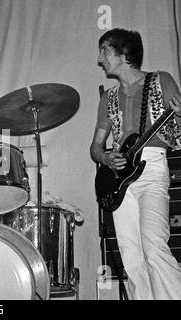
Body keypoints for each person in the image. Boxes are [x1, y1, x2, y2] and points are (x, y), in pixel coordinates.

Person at [90, 28, 181, 299]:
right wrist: (105, 157)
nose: (99, 58)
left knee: (154, 247)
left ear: (124, 53)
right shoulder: (108, 98)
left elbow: (178, 133)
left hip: (152, 168)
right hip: (121, 179)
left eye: (105, 50)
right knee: (131, 256)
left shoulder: (161, 80)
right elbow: (95, 147)